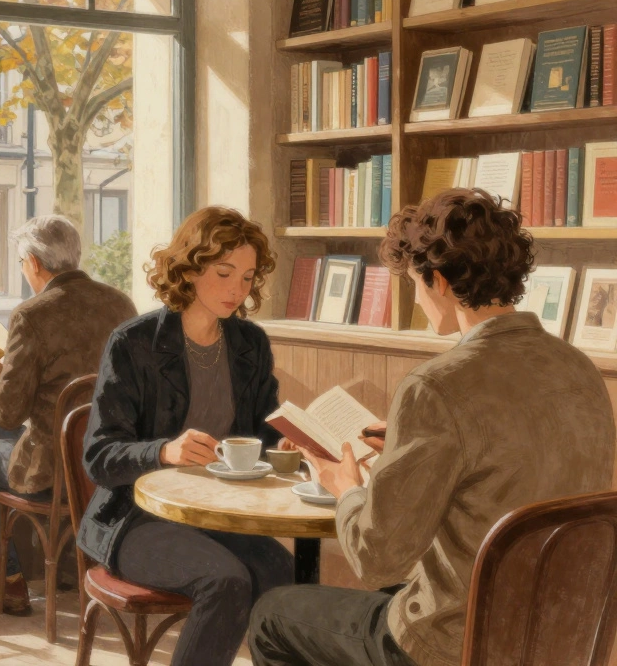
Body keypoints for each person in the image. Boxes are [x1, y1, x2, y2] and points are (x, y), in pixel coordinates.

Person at [249, 189, 617, 666]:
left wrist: (346, 489)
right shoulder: (578, 369)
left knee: (272, 615)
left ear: (438, 281)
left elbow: (377, 558)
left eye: (415, 285)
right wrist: (406, 444)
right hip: (560, 637)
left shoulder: (437, 386)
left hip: (455, 645)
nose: (418, 300)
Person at [78, 206, 294, 666]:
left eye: (248, 277)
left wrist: (286, 447)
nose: (238, 289)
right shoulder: (133, 342)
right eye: (224, 273)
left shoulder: (249, 344)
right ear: (191, 269)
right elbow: (99, 457)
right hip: (135, 518)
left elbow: (263, 435)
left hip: (218, 513)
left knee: (280, 570)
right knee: (226, 580)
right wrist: (165, 451)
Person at [0, 215, 137, 615]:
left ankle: (7, 581)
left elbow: (7, 413)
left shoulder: (31, 314)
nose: (24, 271)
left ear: (34, 263)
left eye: (23, 264)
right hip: (109, 468)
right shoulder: (120, 303)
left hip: (55, 474)